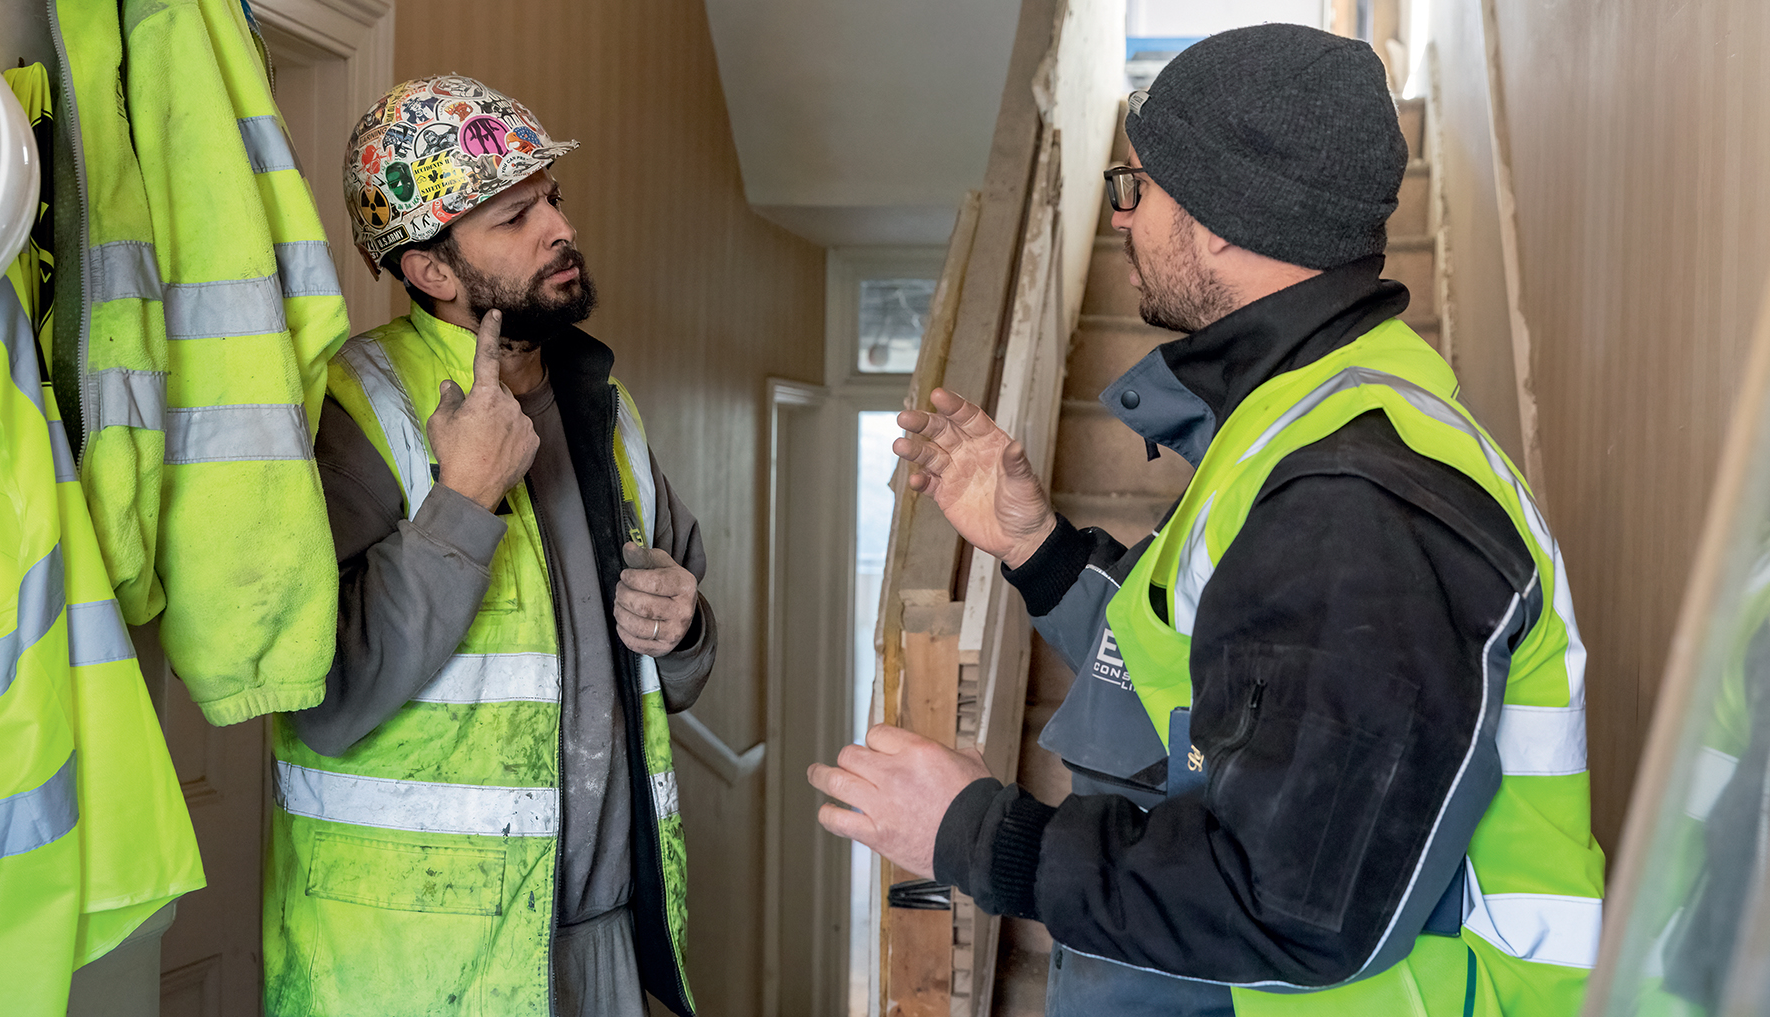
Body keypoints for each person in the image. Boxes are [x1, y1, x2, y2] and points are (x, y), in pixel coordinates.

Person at [808, 24, 1603, 1017]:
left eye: (1136, 187)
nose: (1120, 216)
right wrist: (1034, 547)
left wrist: (974, 833)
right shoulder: (1298, 423)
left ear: (1225, 218)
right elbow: (1195, 677)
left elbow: (1285, 905)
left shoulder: (1359, 498)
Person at [263, 76, 714, 1017]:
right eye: (516, 216)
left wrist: (686, 627)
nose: (561, 228)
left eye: (553, 197)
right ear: (432, 271)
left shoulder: (605, 407)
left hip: (599, 942)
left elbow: (672, 655)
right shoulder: (356, 407)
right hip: (412, 967)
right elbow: (323, 699)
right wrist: (463, 500)